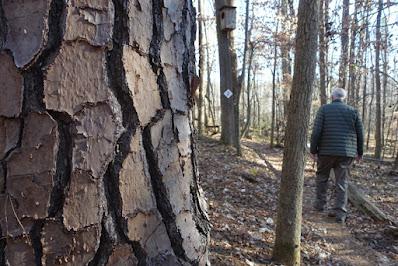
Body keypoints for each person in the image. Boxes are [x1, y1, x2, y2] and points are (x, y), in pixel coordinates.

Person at [310, 87, 364, 223]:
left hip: (326, 151)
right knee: (342, 182)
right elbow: (360, 134)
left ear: (332, 96)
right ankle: (340, 213)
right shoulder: (353, 111)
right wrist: (359, 152)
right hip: (346, 153)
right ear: (343, 98)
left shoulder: (324, 109)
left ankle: (319, 205)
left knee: (322, 178)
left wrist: (313, 150)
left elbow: (316, 131)